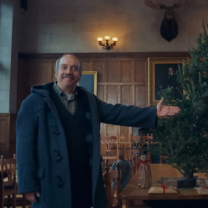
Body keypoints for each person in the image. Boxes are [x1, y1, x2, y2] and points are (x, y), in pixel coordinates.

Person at [16, 54, 180, 208]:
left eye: (74, 68)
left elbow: (117, 112)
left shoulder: (88, 100)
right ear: (56, 72)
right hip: (50, 183)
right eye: (64, 67)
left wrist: (152, 112)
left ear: (79, 75)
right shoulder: (34, 102)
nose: (69, 72)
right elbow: (24, 146)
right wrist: (27, 183)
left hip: (83, 180)